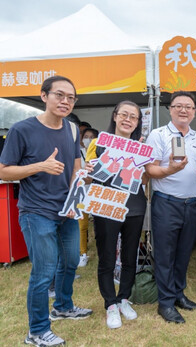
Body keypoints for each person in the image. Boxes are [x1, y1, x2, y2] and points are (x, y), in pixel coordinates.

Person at [0, 76, 92, 346]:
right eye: (59, 95)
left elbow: (76, 166)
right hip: (36, 211)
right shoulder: (21, 130)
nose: (65, 101)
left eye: (71, 97)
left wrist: (83, 178)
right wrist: (39, 166)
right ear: (44, 96)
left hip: (67, 210)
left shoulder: (73, 129)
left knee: (71, 262)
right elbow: (4, 171)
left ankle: (63, 306)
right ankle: (37, 331)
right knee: (44, 272)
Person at [145, 91, 196, 324]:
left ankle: (178, 294)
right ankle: (165, 303)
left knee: (184, 253)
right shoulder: (158, 135)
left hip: (192, 204)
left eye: (189, 107)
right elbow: (150, 170)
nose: (184, 110)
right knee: (165, 255)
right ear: (170, 109)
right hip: (166, 202)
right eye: (179, 106)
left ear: (194, 112)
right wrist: (169, 170)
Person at [86, 101, 147, 329]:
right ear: (115, 116)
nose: (128, 119)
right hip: (106, 205)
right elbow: (87, 176)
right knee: (107, 257)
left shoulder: (142, 147)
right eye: (124, 114)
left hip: (134, 206)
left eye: (133, 116)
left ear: (138, 122)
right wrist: (89, 173)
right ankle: (110, 304)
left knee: (130, 256)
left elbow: (145, 179)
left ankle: (123, 299)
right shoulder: (98, 143)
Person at [78, 127, 98, 267]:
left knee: (99, 224)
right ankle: (82, 253)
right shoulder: (77, 153)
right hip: (81, 193)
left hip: (97, 192)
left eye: (92, 137)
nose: (89, 139)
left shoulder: (100, 152)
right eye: (86, 136)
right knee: (82, 225)